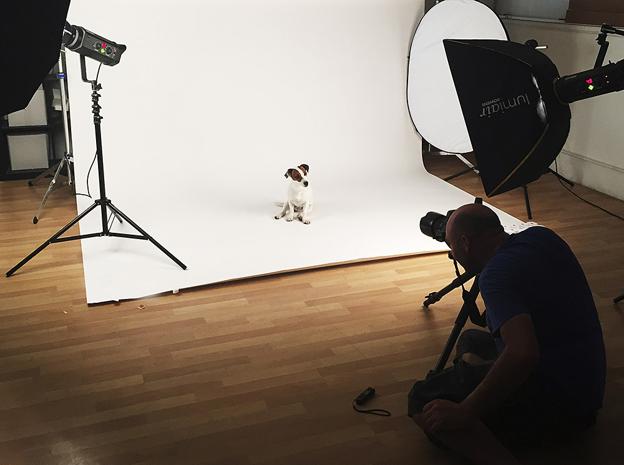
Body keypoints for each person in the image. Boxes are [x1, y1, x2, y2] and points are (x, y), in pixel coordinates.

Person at [411, 204, 606, 465]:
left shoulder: (496, 275)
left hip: (559, 405)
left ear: (465, 243)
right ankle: (480, 386)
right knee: (470, 339)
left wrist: (465, 411)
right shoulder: (542, 237)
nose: (452, 253)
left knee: (422, 399)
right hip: (585, 385)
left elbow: (523, 353)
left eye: (451, 245)